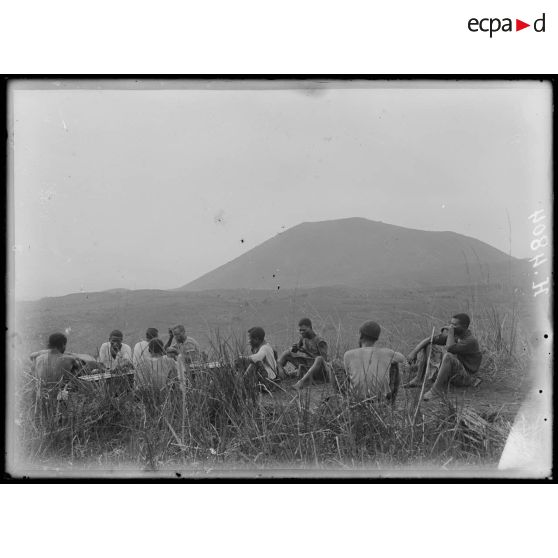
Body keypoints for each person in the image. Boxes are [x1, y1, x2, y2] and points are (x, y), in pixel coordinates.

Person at [417, 313, 483, 401]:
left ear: (464, 326)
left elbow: (449, 348)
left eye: (455, 325)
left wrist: (450, 332)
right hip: (455, 373)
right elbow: (430, 339)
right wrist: (413, 353)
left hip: (466, 377)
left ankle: (436, 390)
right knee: (430, 345)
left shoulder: (470, 341)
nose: (451, 326)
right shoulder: (457, 335)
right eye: (451, 323)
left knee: (448, 356)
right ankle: (418, 379)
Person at [343, 321, 407, 402]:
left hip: (357, 399)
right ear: (376, 338)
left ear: (361, 335)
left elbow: (348, 375)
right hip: (381, 399)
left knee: (335, 365)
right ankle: (392, 403)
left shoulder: (348, 354)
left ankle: (345, 400)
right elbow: (403, 359)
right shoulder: (387, 353)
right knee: (394, 363)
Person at [277, 318, 329, 388]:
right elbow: (296, 350)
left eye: (304, 330)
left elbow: (324, 360)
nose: (301, 332)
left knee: (319, 358)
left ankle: (301, 383)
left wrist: (306, 351)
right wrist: (295, 348)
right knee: (287, 353)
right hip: (307, 365)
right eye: (300, 330)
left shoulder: (320, 341)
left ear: (310, 328)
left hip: (318, 370)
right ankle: (278, 374)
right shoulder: (303, 338)